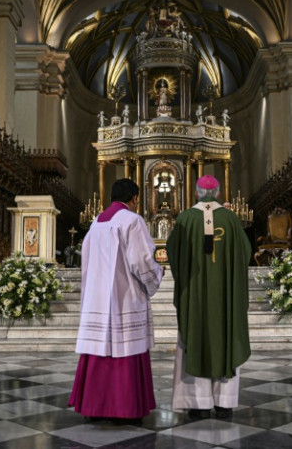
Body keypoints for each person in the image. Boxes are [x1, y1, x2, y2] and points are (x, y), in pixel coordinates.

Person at [69, 179, 164, 422]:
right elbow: (142, 261)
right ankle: (125, 409)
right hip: (124, 297)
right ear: (134, 198)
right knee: (126, 348)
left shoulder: (96, 223)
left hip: (97, 299)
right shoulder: (132, 220)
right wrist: (158, 274)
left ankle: (95, 407)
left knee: (98, 350)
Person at [166, 175, 251, 420]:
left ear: (195, 193)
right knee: (226, 335)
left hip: (194, 296)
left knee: (196, 337)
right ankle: (224, 403)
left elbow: (172, 253)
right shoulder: (231, 219)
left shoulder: (185, 219)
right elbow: (245, 253)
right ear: (217, 193)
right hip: (225, 296)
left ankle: (199, 403)